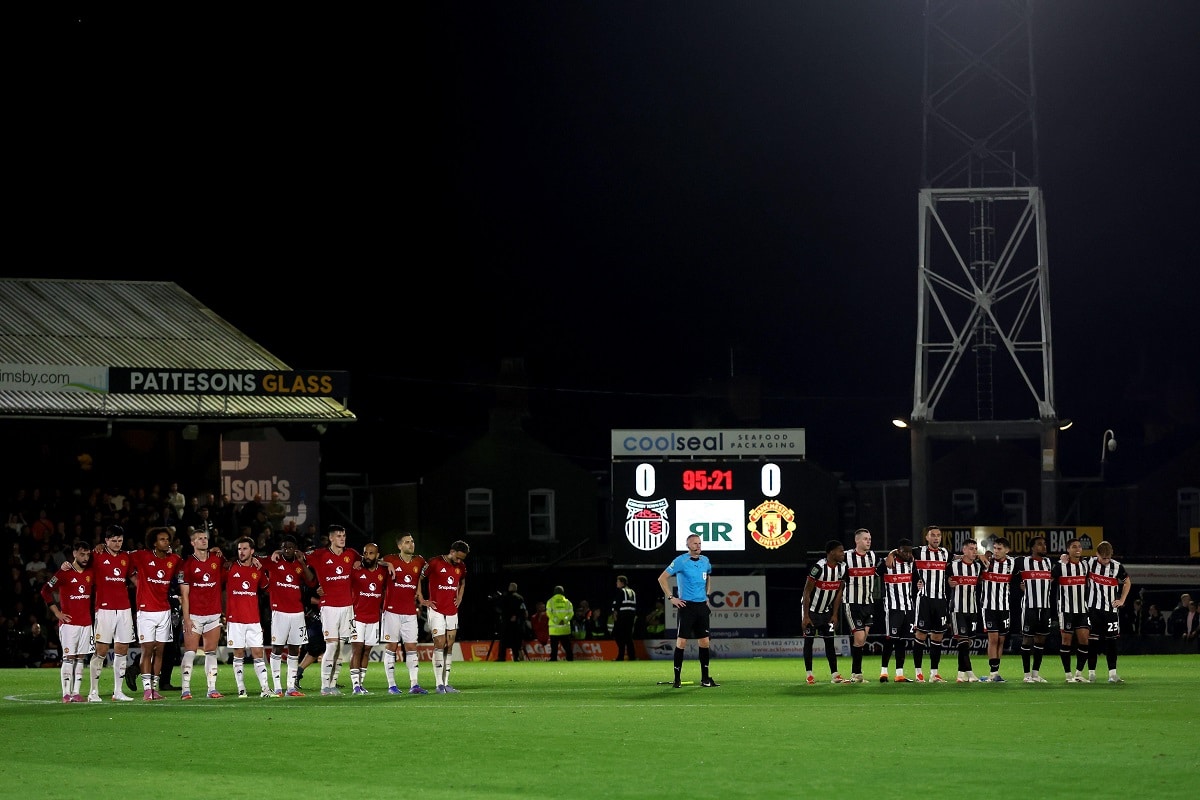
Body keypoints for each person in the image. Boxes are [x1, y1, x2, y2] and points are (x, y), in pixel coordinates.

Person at [303, 524, 360, 696]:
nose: (342, 538)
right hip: (329, 607)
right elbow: (298, 558)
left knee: (341, 647)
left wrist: (385, 562)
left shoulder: (351, 554)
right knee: (332, 645)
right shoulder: (320, 555)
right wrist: (276, 554)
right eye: (339, 536)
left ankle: (333, 684)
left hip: (347, 607)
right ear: (331, 538)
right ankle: (324, 686)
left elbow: (366, 560)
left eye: (344, 535)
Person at [657, 532, 719, 688]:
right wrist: (671, 598)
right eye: (695, 544)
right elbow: (662, 578)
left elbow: (709, 576)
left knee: (704, 642)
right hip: (687, 606)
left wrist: (707, 594)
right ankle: (677, 678)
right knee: (682, 642)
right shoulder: (681, 561)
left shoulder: (705, 561)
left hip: (701, 606)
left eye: (699, 543)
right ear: (688, 546)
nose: (698, 546)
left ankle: (705, 678)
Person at [40, 540, 96, 702]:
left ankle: (76, 693)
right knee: (68, 657)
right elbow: (45, 590)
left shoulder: (90, 572)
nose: (85, 557)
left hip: (86, 623)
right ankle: (66, 694)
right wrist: (57, 612)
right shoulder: (63, 572)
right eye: (81, 554)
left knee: (80, 658)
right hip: (69, 624)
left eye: (87, 554)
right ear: (74, 554)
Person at [130, 526, 183, 700]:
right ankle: (146, 691)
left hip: (164, 611)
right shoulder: (143, 556)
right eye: (162, 539)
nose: (165, 542)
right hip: (146, 611)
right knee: (147, 650)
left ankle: (154, 689)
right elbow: (122, 557)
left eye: (167, 539)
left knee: (160, 651)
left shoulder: (174, 559)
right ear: (154, 542)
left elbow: (188, 567)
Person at [89, 524, 137, 701]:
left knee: (122, 648)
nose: (117, 544)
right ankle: (93, 692)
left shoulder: (126, 557)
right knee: (101, 649)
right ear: (106, 541)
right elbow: (81, 563)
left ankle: (118, 691)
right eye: (114, 540)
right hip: (104, 608)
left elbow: (133, 578)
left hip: (124, 608)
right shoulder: (97, 555)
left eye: (120, 541)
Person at [179, 526, 226, 700]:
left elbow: (225, 580)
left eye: (205, 538)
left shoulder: (217, 559)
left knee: (211, 652)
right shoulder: (187, 564)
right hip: (195, 615)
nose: (204, 540)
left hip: (213, 614)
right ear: (192, 543)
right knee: (190, 651)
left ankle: (212, 689)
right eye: (199, 538)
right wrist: (187, 619)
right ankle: (185, 689)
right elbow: (184, 595)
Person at [225, 535, 274, 697]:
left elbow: (266, 587)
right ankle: (241, 689)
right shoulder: (230, 567)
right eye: (239, 549)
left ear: (252, 551)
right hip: (235, 620)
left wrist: (260, 567)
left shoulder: (257, 569)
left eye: (245, 548)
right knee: (238, 653)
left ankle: (265, 688)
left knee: (258, 653)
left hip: (253, 619)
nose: (241, 552)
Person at [381, 533, 428, 694]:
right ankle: (391, 685)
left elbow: (419, 578)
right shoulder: (391, 559)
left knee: (411, 647)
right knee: (391, 646)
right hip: (392, 611)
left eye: (412, 541)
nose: (411, 544)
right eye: (407, 542)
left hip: (409, 612)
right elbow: (373, 562)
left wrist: (420, 594)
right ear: (399, 546)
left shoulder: (419, 561)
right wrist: (386, 563)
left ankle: (414, 684)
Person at [267, 535, 313, 697]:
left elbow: (311, 581)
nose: (287, 550)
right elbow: (255, 559)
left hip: (297, 612)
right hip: (280, 612)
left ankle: (291, 687)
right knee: (277, 647)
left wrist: (302, 562)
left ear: (295, 549)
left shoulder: (298, 565)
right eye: (284, 547)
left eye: (290, 547)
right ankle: (278, 687)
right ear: (281, 548)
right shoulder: (273, 562)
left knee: (294, 648)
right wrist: (275, 552)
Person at [422, 540, 469, 692]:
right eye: (458, 557)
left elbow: (462, 581)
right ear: (452, 551)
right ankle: (438, 684)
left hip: (452, 611)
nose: (459, 561)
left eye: (462, 558)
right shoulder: (435, 562)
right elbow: (419, 578)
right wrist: (422, 599)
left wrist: (460, 597)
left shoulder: (460, 566)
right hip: (436, 609)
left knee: (449, 646)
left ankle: (446, 682)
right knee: (439, 644)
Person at [1083, 540, 1132, 683]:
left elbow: (1127, 582)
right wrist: (1064, 557)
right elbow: (1073, 562)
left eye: (1108, 558)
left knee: (1112, 642)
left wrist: (1122, 600)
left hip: (1110, 610)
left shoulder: (1117, 567)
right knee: (1092, 642)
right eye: (1103, 558)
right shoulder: (1089, 562)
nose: (1105, 560)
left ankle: (1112, 674)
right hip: (1093, 610)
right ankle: (1091, 673)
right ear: (1096, 554)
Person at [802, 539, 848, 684]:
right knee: (809, 642)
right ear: (831, 552)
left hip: (826, 612)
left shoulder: (842, 568)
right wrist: (806, 616)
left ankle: (835, 675)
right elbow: (807, 592)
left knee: (829, 642)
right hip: (811, 611)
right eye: (840, 551)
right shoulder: (818, 568)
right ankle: (809, 674)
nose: (843, 553)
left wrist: (834, 614)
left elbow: (839, 592)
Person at [911, 524, 951, 682]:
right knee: (920, 634)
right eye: (933, 535)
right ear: (926, 537)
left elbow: (957, 560)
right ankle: (918, 672)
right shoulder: (918, 551)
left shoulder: (945, 553)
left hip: (940, 600)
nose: (936, 538)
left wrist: (982, 556)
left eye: (938, 535)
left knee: (938, 637)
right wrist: (893, 554)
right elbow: (901, 551)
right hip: (925, 599)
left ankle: (934, 673)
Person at [1013, 534, 1055, 683]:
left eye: (1044, 544)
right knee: (1027, 639)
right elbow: (1005, 565)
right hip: (1029, 607)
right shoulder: (1023, 561)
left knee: (1041, 640)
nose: (1044, 546)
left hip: (1045, 608)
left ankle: (1036, 674)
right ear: (1032, 548)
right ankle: (1026, 675)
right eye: (1039, 544)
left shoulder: (1049, 563)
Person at [347, 542, 387, 695]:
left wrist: (387, 563)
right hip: (357, 617)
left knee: (367, 651)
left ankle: (361, 684)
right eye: (365, 553)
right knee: (357, 650)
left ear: (377, 555)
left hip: (374, 618)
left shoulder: (382, 572)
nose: (367, 556)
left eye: (371, 553)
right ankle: (355, 686)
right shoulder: (356, 570)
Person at [1051, 537, 1091, 682]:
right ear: (1068, 550)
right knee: (1066, 640)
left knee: (1084, 640)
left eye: (1079, 546)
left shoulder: (1086, 565)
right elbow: (1048, 580)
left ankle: (1079, 674)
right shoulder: (1060, 566)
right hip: (1066, 609)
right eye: (1074, 546)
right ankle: (1068, 675)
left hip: (1082, 610)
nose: (1077, 549)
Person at [842, 528, 878, 682]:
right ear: (857, 541)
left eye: (869, 539)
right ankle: (856, 673)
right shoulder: (846, 557)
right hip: (852, 603)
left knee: (862, 640)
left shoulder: (872, 556)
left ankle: (856, 674)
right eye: (865, 539)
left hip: (868, 603)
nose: (868, 541)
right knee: (859, 637)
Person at [978, 536, 1016, 682]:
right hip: (988, 607)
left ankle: (995, 672)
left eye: (999, 549)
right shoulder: (986, 561)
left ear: (1007, 550)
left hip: (1004, 607)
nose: (996, 551)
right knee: (993, 639)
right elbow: (967, 558)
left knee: (1001, 640)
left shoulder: (1013, 562)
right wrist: (980, 555)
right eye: (994, 548)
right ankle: (993, 673)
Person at [878, 538, 915, 682]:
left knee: (902, 641)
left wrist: (893, 552)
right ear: (898, 550)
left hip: (908, 607)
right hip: (893, 607)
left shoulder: (911, 562)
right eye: (904, 551)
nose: (907, 554)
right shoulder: (888, 563)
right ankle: (883, 673)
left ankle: (899, 674)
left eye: (909, 551)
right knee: (889, 639)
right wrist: (891, 554)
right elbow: (875, 574)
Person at [947, 539, 983, 682]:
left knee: (968, 642)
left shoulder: (978, 567)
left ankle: (961, 676)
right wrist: (948, 583)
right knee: (962, 641)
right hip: (957, 608)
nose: (974, 551)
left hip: (972, 609)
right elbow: (940, 579)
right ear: (963, 550)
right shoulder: (953, 566)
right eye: (971, 549)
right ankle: (968, 673)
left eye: (975, 549)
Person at [498, 582, 528, 662]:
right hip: (516, 624)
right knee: (515, 641)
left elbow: (500, 609)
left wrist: (505, 617)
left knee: (503, 642)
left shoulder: (504, 597)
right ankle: (516, 657)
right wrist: (516, 616)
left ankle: (501, 658)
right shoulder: (520, 598)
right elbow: (523, 610)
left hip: (505, 624)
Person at [611, 575, 638, 661]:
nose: (616, 583)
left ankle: (620, 656)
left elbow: (617, 605)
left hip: (622, 617)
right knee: (628, 637)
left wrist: (615, 615)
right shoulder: (632, 592)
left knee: (617, 635)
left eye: (618, 581)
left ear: (622, 583)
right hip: (630, 617)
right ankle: (632, 656)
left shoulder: (621, 591)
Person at [546, 585, 574, 662]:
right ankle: (570, 658)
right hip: (565, 629)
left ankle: (553, 659)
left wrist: (557, 621)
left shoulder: (550, 602)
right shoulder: (568, 602)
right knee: (567, 646)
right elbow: (570, 614)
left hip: (554, 629)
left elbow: (549, 613)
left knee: (554, 647)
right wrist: (564, 620)